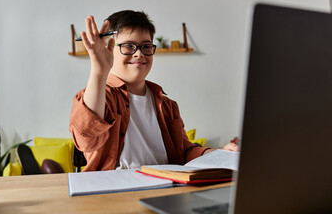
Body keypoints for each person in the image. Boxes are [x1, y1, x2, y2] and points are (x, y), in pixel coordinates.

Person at [69, 10, 238, 172]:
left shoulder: (167, 105)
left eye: (146, 46)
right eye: (128, 46)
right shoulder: (100, 96)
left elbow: (184, 153)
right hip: (114, 192)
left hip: (165, 189)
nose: (139, 54)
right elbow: (86, 141)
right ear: (109, 48)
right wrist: (99, 71)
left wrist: (217, 155)